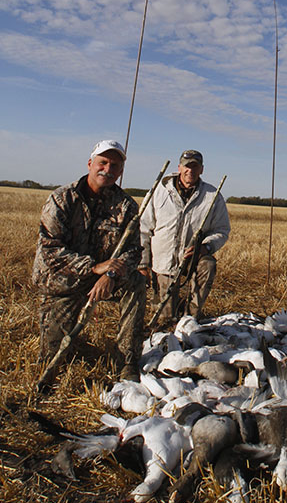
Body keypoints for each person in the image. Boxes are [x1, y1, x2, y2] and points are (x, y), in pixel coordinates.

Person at [33, 140, 146, 382]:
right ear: (90, 164)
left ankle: (127, 360)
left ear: (120, 171)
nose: (107, 168)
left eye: (114, 165)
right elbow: (51, 251)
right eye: (102, 162)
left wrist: (111, 274)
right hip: (61, 283)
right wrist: (94, 267)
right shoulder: (62, 199)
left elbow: (134, 251)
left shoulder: (126, 206)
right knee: (52, 359)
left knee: (136, 282)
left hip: (102, 278)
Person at [140, 150, 230, 322]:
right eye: (187, 166)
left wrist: (206, 247)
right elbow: (143, 228)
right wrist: (143, 263)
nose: (191, 170)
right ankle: (170, 316)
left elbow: (222, 230)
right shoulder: (159, 191)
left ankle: (191, 316)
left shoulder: (213, 196)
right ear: (179, 167)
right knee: (164, 320)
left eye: (195, 167)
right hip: (163, 260)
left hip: (191, 258)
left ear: (201, 169)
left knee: (208, 265)